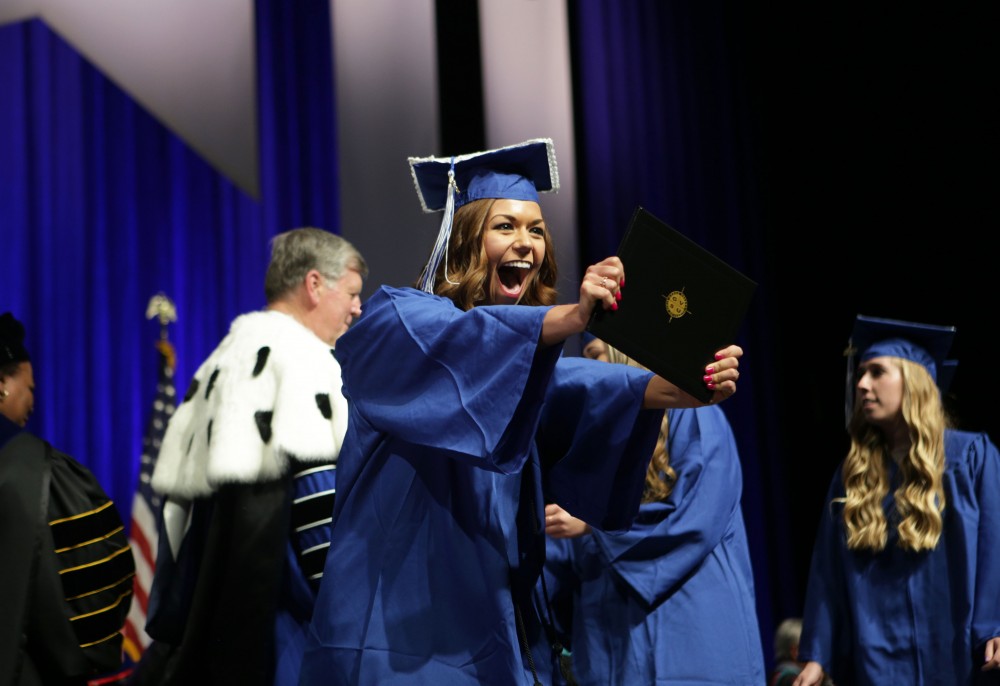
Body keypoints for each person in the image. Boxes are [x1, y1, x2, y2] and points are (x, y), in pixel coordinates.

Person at [299, 138, 744, 685]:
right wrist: (571, 317)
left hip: (487, 637)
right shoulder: (399, 320)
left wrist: (690, 382)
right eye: (505, 226)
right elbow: (459, 341)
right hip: (392, 638)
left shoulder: (529, 366)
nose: (526, 243)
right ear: (463, 238)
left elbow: (592, 386)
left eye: (536, 230)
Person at [131, 228, 368, 686]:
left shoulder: (214, 367)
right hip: (295, 640)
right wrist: (355, 623)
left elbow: (175, 528)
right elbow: (322, 523)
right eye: (353, 294)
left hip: (217, 635)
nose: (358, 309)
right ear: (315, 285)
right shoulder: (308, 365)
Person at [537, 337, 765, 685]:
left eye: (595, 357)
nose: (588, 375)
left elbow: (695, 524)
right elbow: (559, 572)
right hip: (612, 648)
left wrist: (594, 528)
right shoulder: (590, 448)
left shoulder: (696, 418)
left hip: (693, 634)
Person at [795, 315, 1000, 686]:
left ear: (914, 380)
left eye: (876, 372)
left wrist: (995, 624)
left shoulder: (972, 456)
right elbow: (826, 574)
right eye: (859, 374)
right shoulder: (852, 474)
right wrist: (818, 655)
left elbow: (994, 543)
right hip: (880, 657)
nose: (861, 384)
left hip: (958, 649)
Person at [1, 312, 136, 685]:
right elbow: (102, 589)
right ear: (2, 383)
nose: (32, 404)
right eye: (30, 389)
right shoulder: (41, 473)